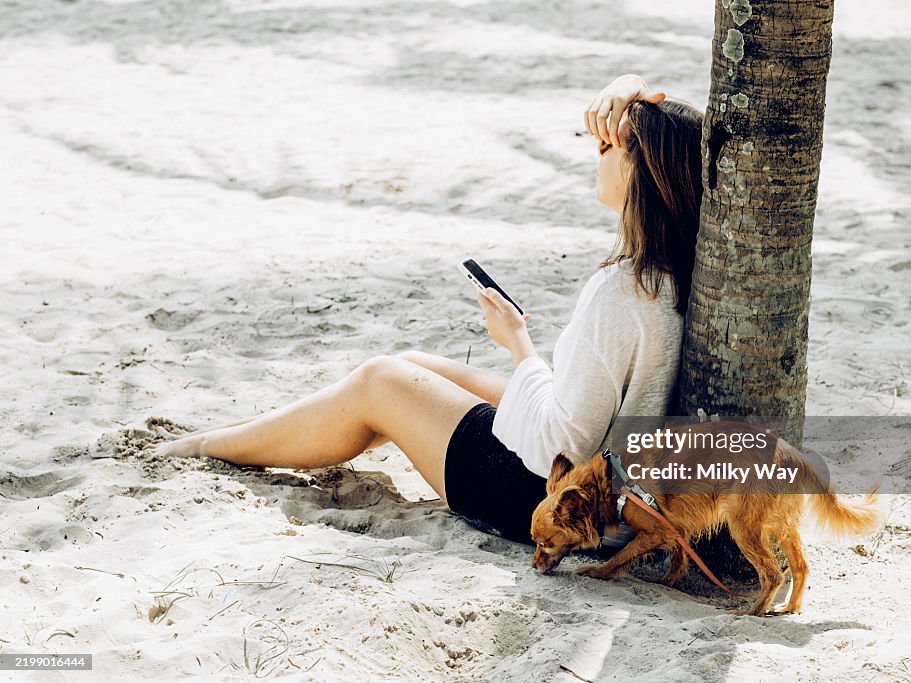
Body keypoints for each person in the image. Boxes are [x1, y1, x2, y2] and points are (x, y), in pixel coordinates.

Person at [146, 74, 705, 546]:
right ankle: (241, 433)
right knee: (416, 362)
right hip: (607, 473)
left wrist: (517, 345)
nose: (596, 150)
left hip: (550, 499)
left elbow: (562, 447)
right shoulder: (672, 270)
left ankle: (203, 446)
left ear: (641, 171)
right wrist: (628, 87)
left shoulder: (621, 291)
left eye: (609, 147)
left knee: (381, 381)